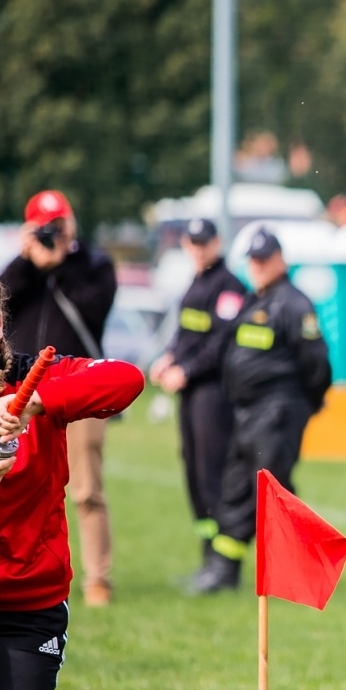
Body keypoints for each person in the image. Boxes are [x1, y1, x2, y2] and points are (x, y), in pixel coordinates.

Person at [0, 270, 144, 690]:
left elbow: (126, 379)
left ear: (1, 328)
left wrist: (37, 403)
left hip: (29, 600)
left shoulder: (31, 379)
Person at [190, 229, 331, 593]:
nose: (258, 266)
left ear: (281, 260)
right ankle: (227, 569)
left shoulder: (294, 304)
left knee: (264, 492)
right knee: (240, 486)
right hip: (248, 413)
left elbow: (317, 366)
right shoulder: (254, 299)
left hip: (277, 412)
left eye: (264, 259)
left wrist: (301, 406)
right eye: (253, 260)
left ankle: (295, 573)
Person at [0, 191, 118, 606]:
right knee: (18, 485)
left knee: (87, 488)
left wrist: (61, 264)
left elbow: (95, 308)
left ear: (72, 224)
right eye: (44, 227)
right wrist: (28, 259)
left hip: (78, 388)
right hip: (24, 391)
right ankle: (20, 571)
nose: (52, 235)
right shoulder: (23, 270)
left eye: (58, 225)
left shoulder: (93, 264)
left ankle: (97, 578)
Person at [148, 218, 249, 573]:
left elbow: (220, 343)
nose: (198, 249)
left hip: (214, 393)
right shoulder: (196, 282)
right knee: (193, 470)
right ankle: (208, 552)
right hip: (190, 392)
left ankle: (224, 564)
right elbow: (187, 334)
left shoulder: (229, 287)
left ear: (217, 243)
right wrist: (170, 357)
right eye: (192, 243)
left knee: (213, 472)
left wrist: (186, 370)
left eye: (204, 243)